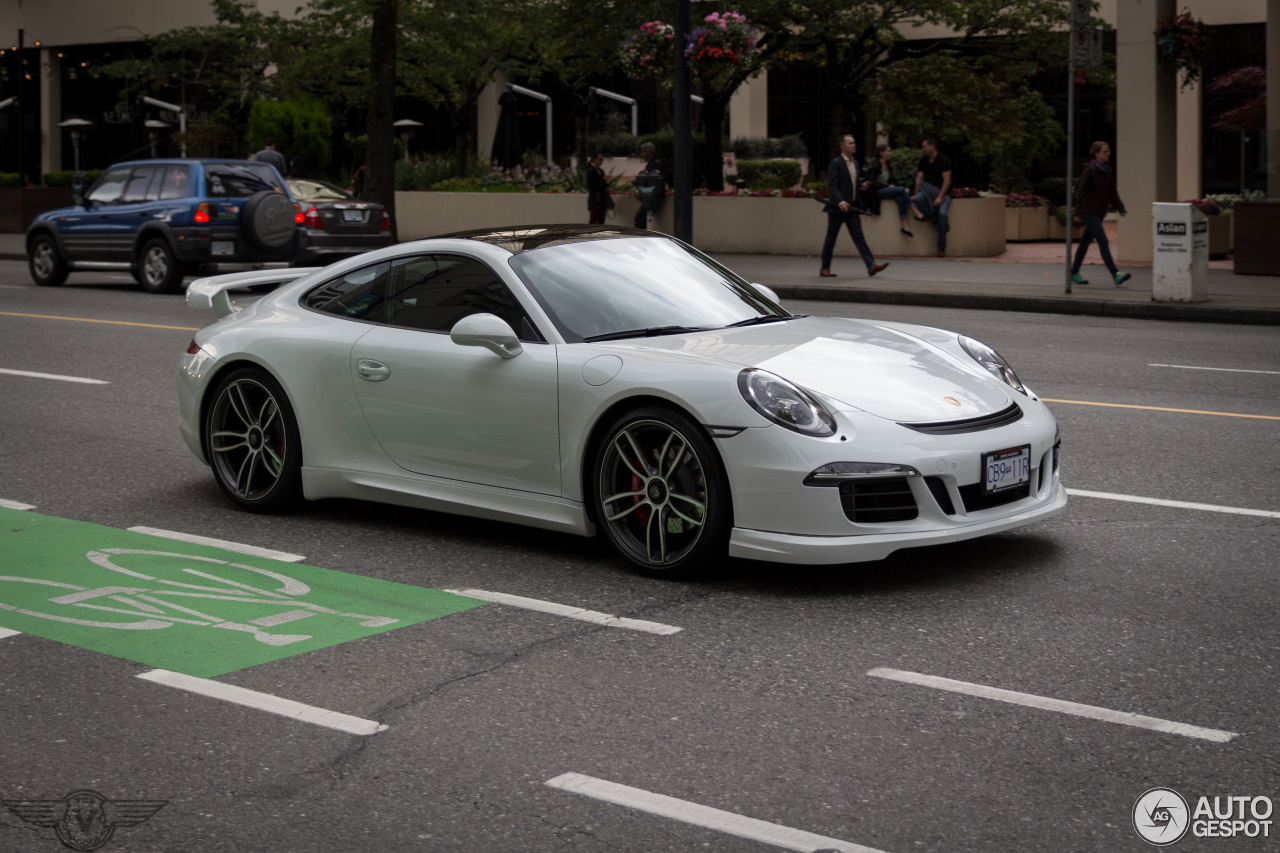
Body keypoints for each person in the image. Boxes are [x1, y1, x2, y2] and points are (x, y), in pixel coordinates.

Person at [819, 133, 889, 278]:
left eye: (854, 143)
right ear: (842, 147)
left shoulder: (855, 163)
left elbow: (853, 184)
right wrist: (840, 201)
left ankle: (871, 265)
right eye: (850, 143)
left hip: (852, 208)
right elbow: (834, 186)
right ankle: (825, 268)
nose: (854, 145)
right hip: (837, 209)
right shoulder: (836, 163)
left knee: (859, 237)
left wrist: (861, 186)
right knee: (831, 238)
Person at [1071, 141, 1131, 286]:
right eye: (1104, 151)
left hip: (1098, 212)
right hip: (1088, 211)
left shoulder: (1107, 170)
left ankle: (1073, 273)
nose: (1108, 153)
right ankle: (1115, 274)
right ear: (1096, 153)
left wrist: (1120, 207)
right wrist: (1077, 212)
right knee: (1103, 241)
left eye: (1108, 150)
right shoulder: (1090, 170)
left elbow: (1112, 192)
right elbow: (1080, 191)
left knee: (1084, 243)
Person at [912, 137, 952, 256]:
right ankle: (942, 225)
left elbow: (947, 180)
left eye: (924, 146)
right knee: (919, 199)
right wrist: (915, 193)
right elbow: (919, 178)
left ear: (932, 146)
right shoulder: (923, 161)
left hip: (944, 193)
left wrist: (940, 197)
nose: (922, 149)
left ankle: (941, 247)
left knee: (942, 214)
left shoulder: (944, 160)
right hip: (927, 192)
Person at [865, 143, 913, 237]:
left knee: (900, 199)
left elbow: (890, 180)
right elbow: (872, 182)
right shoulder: (875, 166)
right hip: (877, 192)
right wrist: (886, 185)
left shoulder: (888, 165)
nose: (890, 153)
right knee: (902, 189)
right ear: (881, 153)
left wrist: (889, 185)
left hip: (886, 190)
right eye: (888, 151)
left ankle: (905, 226)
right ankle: (914, 210)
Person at [633, 142, 666, 229]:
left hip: (653, 197)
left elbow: (651, 183)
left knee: (639, 218)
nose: (642, 154)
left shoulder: (655, 164)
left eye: (644, 152)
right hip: (651, 196)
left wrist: (642, 192)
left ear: (650, 152)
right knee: (643, 219)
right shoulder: (653, 163)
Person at [586, 152, 609, 225]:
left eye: (602, 159)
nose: (601, 160)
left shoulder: (601, 171)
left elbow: (604, 186)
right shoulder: (590, 172)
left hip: (602, 200)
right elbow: (592, 186)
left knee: (601, 221)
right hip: (594, 200)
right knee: (593, 220)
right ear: (594, 160)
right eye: (600, 159)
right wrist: (603, 181)